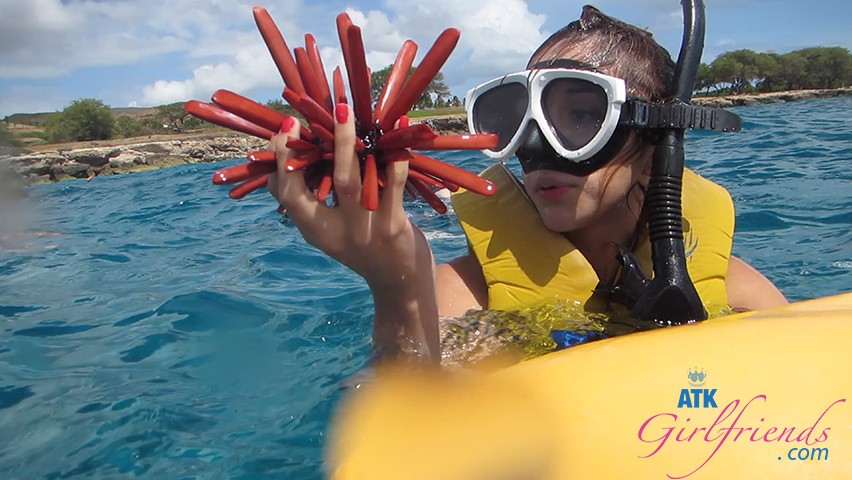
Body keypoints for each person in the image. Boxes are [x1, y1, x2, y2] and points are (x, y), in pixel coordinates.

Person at [267, 5, 787, 363]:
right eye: (517, 118)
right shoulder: (463, 296)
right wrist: (396, 289)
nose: (534, 148)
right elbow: (403, 427)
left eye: (582, 115)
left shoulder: (733, 289)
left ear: (657, 149)